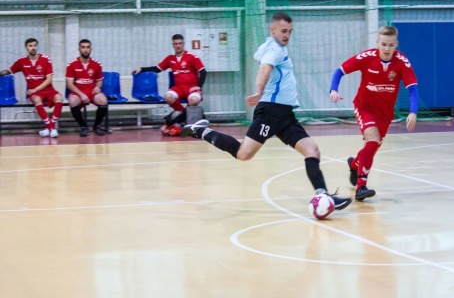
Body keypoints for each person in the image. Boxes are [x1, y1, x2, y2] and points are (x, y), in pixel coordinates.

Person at [180, 12, 352, 211]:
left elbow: (258, 58)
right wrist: (260, 91)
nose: (287, 35)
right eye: (283, 31)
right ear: (272, 30)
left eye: (290, 31)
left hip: (285, 114)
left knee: (312, 150)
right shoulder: (275, 50)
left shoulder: (267, 46)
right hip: (271, 111)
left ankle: (323, 195)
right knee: (243, 154)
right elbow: (264, 69)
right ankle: (201, 130)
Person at [329, 25, 419, 201]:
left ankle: (354, 164)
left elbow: (413, 89)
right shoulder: (366, 57)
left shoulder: (402, 62)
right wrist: (334, 89)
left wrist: (413, 112)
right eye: (383, 44)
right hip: (364, 107)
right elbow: (339, 71)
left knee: (371, 149)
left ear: (396, 44)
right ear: (377, 43)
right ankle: (361, 188)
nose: (386, 49)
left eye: (391, 45)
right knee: (372, 140)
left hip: (385, 114)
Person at [133, 33, 206, 136]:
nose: (178, 46)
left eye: (180, 43)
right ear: (173, 45)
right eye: (176, 44)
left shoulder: (192, 57)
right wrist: (142, 69)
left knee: (193, 100)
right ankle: (182, 117)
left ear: (183, 44)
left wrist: (199, 86)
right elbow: (157, 69)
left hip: (192, 87)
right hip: (179, 87)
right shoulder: (170, 58)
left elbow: (203, 71)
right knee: (168, 97)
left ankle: (178, 121)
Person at [0, 38, 63, 137]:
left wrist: (35, 89)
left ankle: (50, 128)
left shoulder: (45, 59)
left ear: (37, 47)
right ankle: (52, 128)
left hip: (47, 89)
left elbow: (49, 80)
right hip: (35, 93)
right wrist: (1, 73)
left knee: (59, 98)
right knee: (37, 100)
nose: (33, 48)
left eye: (35, 45)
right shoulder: (21, 61)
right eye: (30, 46)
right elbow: (9, 71)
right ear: (26, 48)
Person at [66, 39, 108, 137]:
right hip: (78, 91)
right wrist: (81, 95)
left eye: (88, 47)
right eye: (83, 47)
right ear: (79, 49)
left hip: (91, 90)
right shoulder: (71, 64)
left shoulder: (96, 64)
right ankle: (83, 127)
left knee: (103, 100)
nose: (85, 50)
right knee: (72, 101)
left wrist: (97, 87)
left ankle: (96, 126)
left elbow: (99, 81)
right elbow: (69, 84)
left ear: (91, 49)